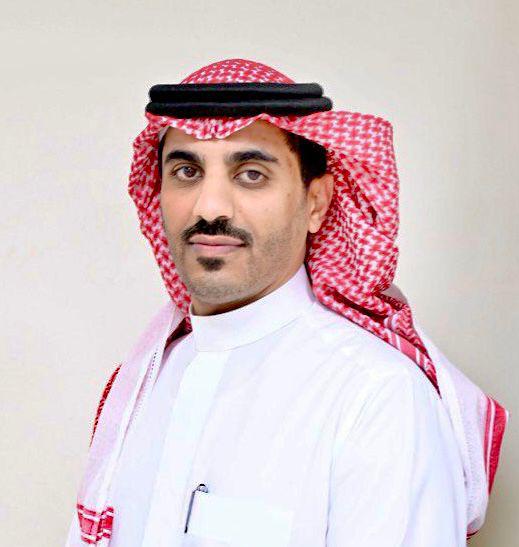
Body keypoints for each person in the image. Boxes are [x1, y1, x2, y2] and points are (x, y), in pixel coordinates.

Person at [66, 59, 508, 547]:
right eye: (187, 171)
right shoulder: (143, 383)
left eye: (251, 174)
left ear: (316, 203)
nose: (209, 208)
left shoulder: (376, 397)